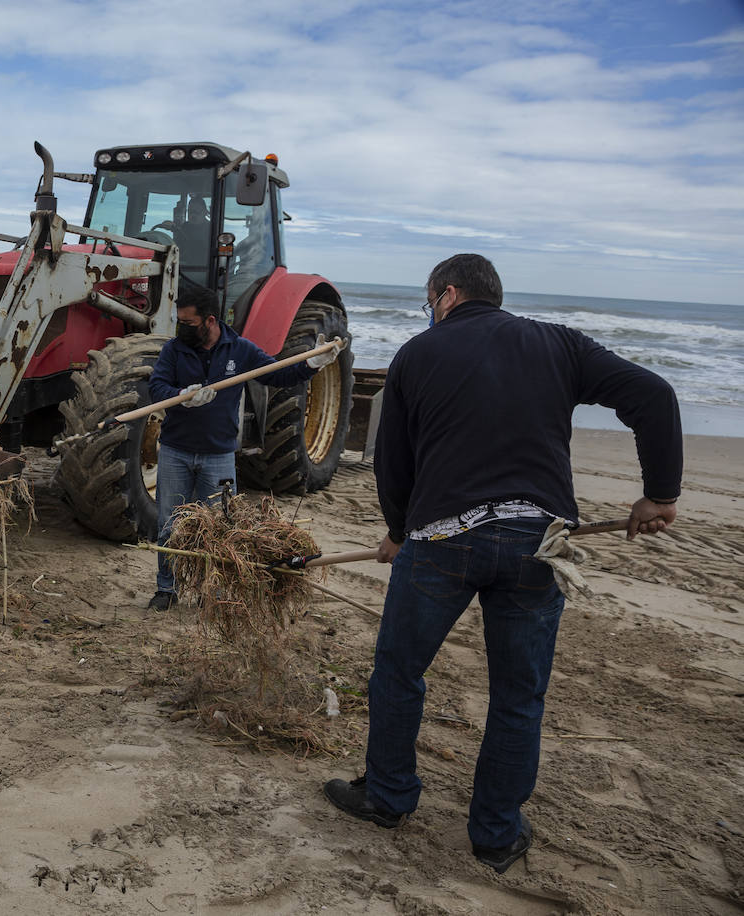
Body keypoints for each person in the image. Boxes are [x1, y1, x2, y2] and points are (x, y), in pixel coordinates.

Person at [323, 253, 682, 873]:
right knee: (519, 694)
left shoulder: (417, 354)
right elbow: (652, 394)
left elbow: (392, 459)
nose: (429, 309)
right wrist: (661, 492)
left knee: (399, 671)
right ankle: (495, 833)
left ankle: (386, 797)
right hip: (537, 544)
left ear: (448, 293)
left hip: (442, 539)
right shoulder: (558, 345)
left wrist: (397, 530)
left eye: (429, 299)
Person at [146, 280, 346, 610]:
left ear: (210, 320)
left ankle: (213, 593)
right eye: (179, 321)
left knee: (221, 527)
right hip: (176, 451)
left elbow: (277, 375)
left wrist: (312, 364)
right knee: (170, 523)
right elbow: (157, 388)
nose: (181, 328)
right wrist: (181, 397)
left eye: (188, 323)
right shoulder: (174, 349)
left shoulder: (240, 350)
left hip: (219, 455)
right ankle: (166, 589)